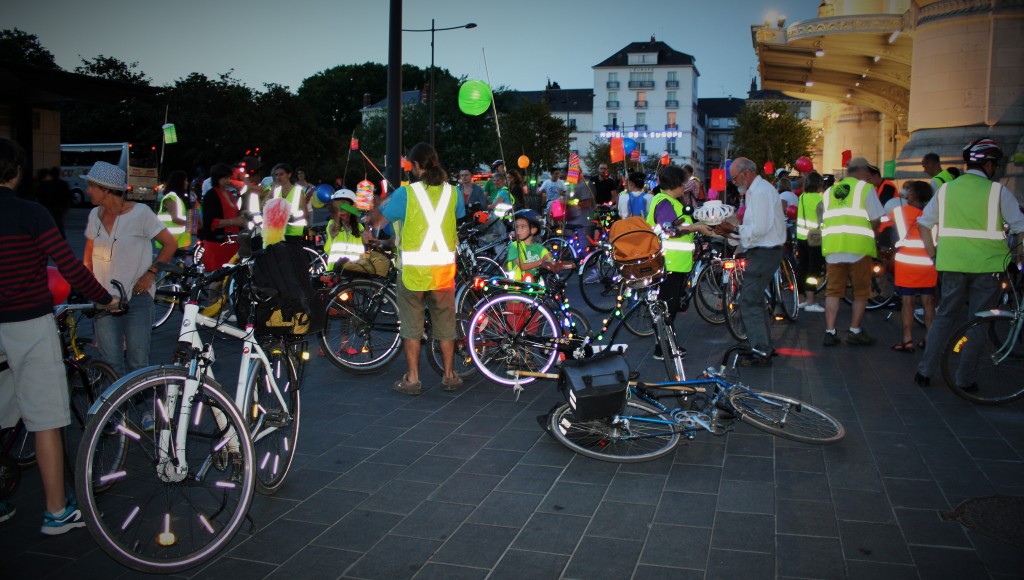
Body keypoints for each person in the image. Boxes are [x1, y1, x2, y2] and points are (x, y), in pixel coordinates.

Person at [0, 138, 116, 534]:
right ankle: (56, 511)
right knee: (47, 418)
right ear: (15, 173)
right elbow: (68, 265)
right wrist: (106, 298)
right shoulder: (31, 214)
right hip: (27, 323)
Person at [914, 138, 1024, 387]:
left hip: (951, 265)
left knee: (944, 317)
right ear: (988, 164)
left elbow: (924, 224)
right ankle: (964, 379)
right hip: (988, 268)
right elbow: (1020, 227)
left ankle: (924, 372)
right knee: (978, 323)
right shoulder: (998, 191)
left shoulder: (946, 190)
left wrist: (933, 255)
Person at [370, 142, 466, 395]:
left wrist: (383, 200)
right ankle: (449, 374)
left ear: (414, 166)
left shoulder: (405, 194)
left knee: (411, 325)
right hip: (444, 271)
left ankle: (412, 379)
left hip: (412, 272)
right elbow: (456, 217)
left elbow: (378, 222)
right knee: (445, 323)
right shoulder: (453, 193)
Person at [84, 161, 176, 387]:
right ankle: (118, 416)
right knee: (111, 362)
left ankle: (143, 414)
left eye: (92, 186)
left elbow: (170, 244)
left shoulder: (141, 213)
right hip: (103, 299)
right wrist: (90, 288)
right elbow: (87, 257)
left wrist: (150, 273)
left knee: (137, 362)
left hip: (137, 297)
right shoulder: (94, 215)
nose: (88, 191)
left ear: (106, 189)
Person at [714, 157, 787, 365]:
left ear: (746, 173)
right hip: (764, 250)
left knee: (749, 300)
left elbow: (760, 229)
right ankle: (763, 346)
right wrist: (734, 231)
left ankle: (761, 350)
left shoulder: (760, 192)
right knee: (754, 300)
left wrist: (734, 229)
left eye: (735, 177)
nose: (734, 182)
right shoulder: (757, 191)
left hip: (766, 251)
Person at [647, 165, 714, 359]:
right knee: (667, 307)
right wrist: (697, 228)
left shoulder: (670, 201)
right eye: (683, 183)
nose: (685, 186)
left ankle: (666, 345)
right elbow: (670, 231)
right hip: (669, 263)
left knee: (669, 306)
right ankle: (663, 348)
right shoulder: (665, 202)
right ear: (676, 183)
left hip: (674, 263)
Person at [819, 157, 886, 346]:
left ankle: (830, 331)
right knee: (861, 291)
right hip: (858, 248)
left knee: (833, 291)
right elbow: (875, 219)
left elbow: (823, 216)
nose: (869, 176)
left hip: (833, 247)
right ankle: (855, 330)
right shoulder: (866, 189)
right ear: (862, 171)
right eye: (868, 172)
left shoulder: (830, 191)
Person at [888, 180, 937, 353]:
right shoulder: (933, 213)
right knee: (928, 302)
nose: (906, 192)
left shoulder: (899, 211)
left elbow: (884, 226)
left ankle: (907, 339)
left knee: (907, 302)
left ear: (914, 194)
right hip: (929, 263)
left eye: (909, 190)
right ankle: (930, 338)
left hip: (906, 263)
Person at [198, 163, 246, 271]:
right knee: (218, 277)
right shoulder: (211, 195)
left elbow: (233, 212)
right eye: (225, 178)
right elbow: (211, 221)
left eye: (229, 178)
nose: (228, 181)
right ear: (217, 178)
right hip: (218, 243)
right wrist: (233, 222)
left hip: (232, 241)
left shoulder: (229, 194)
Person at [794, 172, 825, 313]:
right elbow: (823, 219)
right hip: (815, 238)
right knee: (813, 271)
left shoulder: (802, 197)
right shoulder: (819, 199)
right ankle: (811, 301)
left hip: (801, 236)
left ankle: (801, 300)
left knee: (802, 268)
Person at [506, 209, 559, 281]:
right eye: (517, 227)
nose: (518, 230)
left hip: (537, 288)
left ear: (533, 230)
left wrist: (554, 264)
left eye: (522, 227)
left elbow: (551, 266)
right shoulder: (514, 246)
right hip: (517, 287)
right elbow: (522, 267)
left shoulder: (541, 249)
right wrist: (541, 261)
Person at [267, 163, 310, 241]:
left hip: (294, 233)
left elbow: (306, 214)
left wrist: (292, 219)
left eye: (281, 174)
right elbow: (265, 207)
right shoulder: (276, 191)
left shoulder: (297, 191)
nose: (278, 177)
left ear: (289, 175)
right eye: (276, 175)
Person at [324, 189, 365, 269]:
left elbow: (367, 241)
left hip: (354, 268)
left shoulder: (359, 227)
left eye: (343, 203)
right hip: (335, 268)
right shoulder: (332, 223)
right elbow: (334, 230)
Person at [157, 170, 192, 251]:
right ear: (179, 182)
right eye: (185, 180)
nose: (187, 183)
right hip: (169, 241)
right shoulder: (171, 197)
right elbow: (175, 218)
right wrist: (192, 224)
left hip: (177, 241)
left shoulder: (178, 198)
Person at [35, 167, 72, 239]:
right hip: (59, 208)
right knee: (59, 223)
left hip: (48, 207)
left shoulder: (44, 184)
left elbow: (38, 195)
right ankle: (61, 237)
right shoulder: (63, 183)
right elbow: (68, 195)